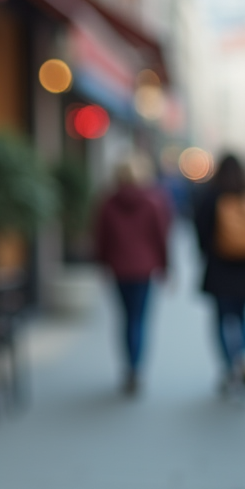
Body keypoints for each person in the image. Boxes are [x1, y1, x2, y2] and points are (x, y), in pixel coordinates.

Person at [94, 155, 169, 395]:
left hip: (118, 268)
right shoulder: (153, 201)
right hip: (145, 269)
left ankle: (129, 367)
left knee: (126, 319)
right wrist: (166, 266)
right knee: (139, 319)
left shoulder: (107, 202)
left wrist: (102, 264)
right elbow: (161, 237)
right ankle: (136, 368)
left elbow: (100, 238)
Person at [193, 154, 245, 395]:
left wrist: (206, 251)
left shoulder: (211, 195)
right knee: (243, 317)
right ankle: (243, 356)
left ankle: (227, 366)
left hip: (219, 266)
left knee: (221, 319)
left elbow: (200, 229)